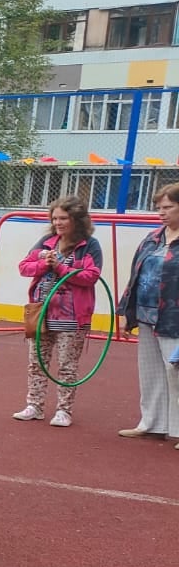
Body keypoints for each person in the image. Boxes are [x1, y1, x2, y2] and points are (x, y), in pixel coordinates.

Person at [14, 196, 104, 428]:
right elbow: (24, 267)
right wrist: (45, 264)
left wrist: (61, 267)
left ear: (76, 219)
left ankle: (64, 410)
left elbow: (90, 277)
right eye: (55, 218)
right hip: (41, 312)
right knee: (36, 362)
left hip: (72, 317)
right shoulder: (46, 241)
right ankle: (34, 405)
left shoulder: (89, 245)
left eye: (63, 218)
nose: (58, 223)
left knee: (66, 365)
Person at [116, 181, 179, 446]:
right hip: (146, 316)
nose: (161, 212)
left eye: (168, 207)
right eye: (158, 207)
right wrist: (124, 310)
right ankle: (152, 423)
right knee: (151, 371)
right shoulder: (152, 238)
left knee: (175, 372)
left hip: (174, 319)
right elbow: (135, 275)